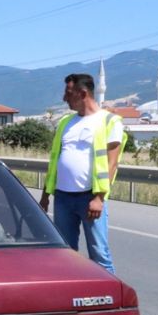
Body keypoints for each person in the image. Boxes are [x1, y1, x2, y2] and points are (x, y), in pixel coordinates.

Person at [39, 73, 127, 273]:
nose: (65, 98)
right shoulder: (65, 122)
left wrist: (99, 198)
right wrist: (45, 195)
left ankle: (106, 291)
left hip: (90, 197)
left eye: (69, 93)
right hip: (62, 197)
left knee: (99, 255)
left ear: (83, 93)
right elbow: (54, 162)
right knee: (65, 254)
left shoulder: (109, 121)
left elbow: (112, 163)